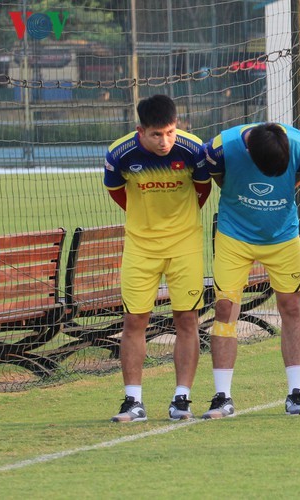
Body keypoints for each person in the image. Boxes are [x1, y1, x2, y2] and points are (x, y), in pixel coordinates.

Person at [104, 94, 212, 422]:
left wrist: (179, 225)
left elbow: (203, 190)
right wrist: (146, 223)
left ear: (176, 125)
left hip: (185, 246)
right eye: (155, 135)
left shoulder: (194, 150)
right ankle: (132, 401)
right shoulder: (119, 155)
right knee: (135, 321)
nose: (165, 141)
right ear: (140, 130)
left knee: (187, 320)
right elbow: (117, 192)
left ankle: (182, 399)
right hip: (141, 248)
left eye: (169, 132)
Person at [202, 122, 300, 418]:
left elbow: (299, 178)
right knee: (225, 308)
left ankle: (296, 394)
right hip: (234, 236)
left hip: (283, 237)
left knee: (291, 307)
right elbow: (220, 180)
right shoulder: (219, 150)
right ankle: (222, 396)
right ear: (248, 151)